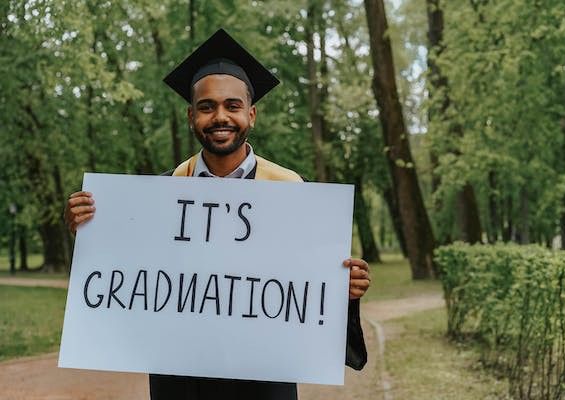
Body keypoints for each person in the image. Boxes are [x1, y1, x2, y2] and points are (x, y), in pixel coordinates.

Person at [64, 28, 370, 400]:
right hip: (180, 380)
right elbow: (124, 286)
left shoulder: (294, 194)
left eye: (232, 105)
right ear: (192, 116)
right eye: (207, 107)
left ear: (251, 115)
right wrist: (90, 233)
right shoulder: (158, 197)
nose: (219, 116)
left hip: (263, 379)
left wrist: (345, 293)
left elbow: (307, 297)